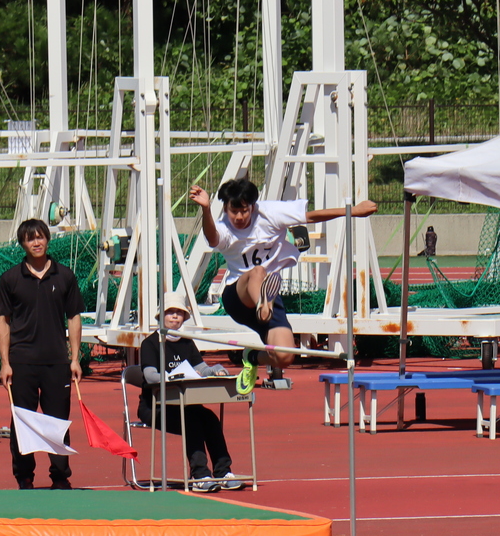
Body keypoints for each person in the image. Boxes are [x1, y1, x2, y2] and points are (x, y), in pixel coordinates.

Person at [189, 177, 376, 391]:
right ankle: (262, 305)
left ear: (253, 206)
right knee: (258, 271)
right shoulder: (222, 227)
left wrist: (351, 211)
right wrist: (205, 210)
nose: (239, 217)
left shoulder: (270, 213)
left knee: (285, 355)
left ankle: (252, 356)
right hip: (238, 296)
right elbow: (212, 239)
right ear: (225, 208)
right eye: (234, 212)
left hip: (268, 295)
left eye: (245, 211)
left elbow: (310, 217)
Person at [0, 218, 83, 490]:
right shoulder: (10, 278)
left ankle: (60, 476)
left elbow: (74, 318)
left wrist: (75, 357)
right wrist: (5, 363)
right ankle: (24, 476)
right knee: (23, 422)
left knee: (58, 422)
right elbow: (3, 321)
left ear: (47, 239)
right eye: (30, 239)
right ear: (23, 244)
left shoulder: (65, 276)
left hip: (57, 362)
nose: (36, 242)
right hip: (22, 362)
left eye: (40, 237)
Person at [137, 291, 242, 491]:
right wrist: (172, 378)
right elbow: (150, 375)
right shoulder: (150, 343)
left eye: (179, 312)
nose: (175, 316)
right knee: (192, 421)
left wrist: (216, 370)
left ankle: (223, 472)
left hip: (185, 404)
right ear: (161, 316)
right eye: (170, 312)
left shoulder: (187, 342)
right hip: (155, 407)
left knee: (210, 418)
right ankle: (200, 475)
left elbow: (201, 368)